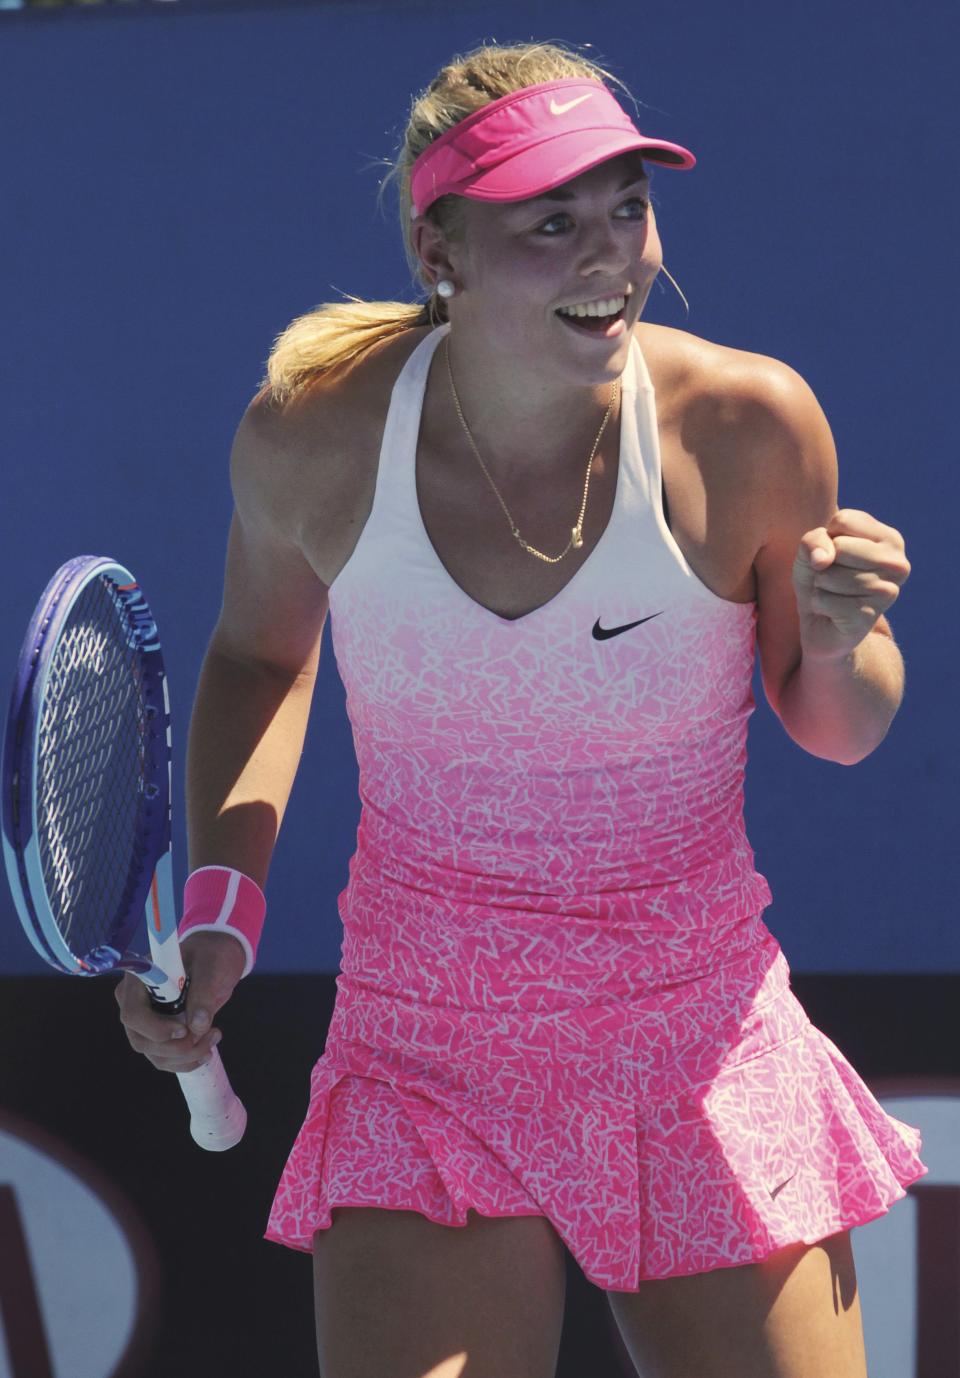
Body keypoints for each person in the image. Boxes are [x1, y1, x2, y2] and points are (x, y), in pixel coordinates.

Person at [116, 39, 926, 1378]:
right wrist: (221, 904)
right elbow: (261, 661)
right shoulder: (312, 436)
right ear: (442, 252)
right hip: (426, 1046)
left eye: (625, 208)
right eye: (553, 224)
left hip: (696, 1030)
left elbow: (839, 721)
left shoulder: (747, 424)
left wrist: (847, 641)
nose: (610, 253)